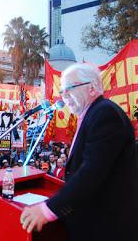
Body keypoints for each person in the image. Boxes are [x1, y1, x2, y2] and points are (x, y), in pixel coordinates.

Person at [20, 63, 138, 241]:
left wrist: (48, 209)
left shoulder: (105, 114)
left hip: (107, 228)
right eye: (62, 91)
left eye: (69, 89)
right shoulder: (92, 114)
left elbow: (92, 172)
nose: (64, 95)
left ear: (91, 88)